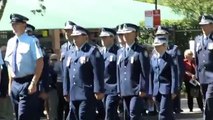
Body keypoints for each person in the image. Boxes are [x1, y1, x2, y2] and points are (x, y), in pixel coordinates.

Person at [4, 13, 44, 120]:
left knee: (24, 115)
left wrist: (34, 82)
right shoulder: (11, 42)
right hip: (15, 84)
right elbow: (9, 64)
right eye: (12, 24)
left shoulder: (31, 41)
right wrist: (10, 84)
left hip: (27, 82)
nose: (13, 26)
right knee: (17, 116)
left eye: (16, 24)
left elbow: (40, 62)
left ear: (24, 25)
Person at [64, 25, 105, 120]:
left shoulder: (91, 51)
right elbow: (66, 73)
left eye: (77, 36)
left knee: (84, 116)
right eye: (73, 36)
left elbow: (97, 72)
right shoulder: (70, 53)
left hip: (86, 93)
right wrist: (66, 91)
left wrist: (98, 90)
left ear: (85, 37)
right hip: (73, 93)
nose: (74, 39)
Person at [116, 23, 149, 120]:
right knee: (127, 115)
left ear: (135, 34)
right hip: (125, 89)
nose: (125, 36)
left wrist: (142, 88)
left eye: (128, 33)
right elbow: (118, 71)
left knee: (134, 113)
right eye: (123, 34)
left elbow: (144, 71)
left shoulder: (140, 51)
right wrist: (119, 88)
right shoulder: (120, 52)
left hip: (136, 89)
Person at [155, 26, 184, 113]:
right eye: (158, 35)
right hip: (159, 85)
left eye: (162, 34)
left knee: (168, 110)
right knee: (163, 110)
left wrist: (178, 85)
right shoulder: (155, 50)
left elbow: (179, 68)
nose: (160, 36)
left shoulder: (174, 49)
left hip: (170, 84)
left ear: (167, 35)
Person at [150, 36, 178, 120]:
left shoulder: (170, 58)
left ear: (164, 46)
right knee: (167, 113)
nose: (156, 47)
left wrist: (174, 90)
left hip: (166, 89)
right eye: (155, 45)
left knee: (163, 112)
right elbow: (151, 75)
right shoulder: (153, 58)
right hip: (156, 90)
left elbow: (174, 75)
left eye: (158, 45)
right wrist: (151, 91)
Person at [194, 14, 213, 120]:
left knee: (209, 100)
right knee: (206, 100)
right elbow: (196, 58)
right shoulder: (198, 39)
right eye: (201, 25)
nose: (203, 27)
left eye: (205, 25)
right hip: (202, 76)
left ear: (212, 25)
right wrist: (196, 74)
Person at [99, 28, 120, 120]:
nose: (103, 40)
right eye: (102, 38)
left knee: (109, 109)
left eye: (105, 37)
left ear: (112, 37)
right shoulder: (99, 52)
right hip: (102, 89)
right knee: (109, 112)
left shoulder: (118, 52)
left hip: (113, 87)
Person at [61, 21, 76, 120]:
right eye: (66, 31)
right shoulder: (63, 47)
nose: (67, 33)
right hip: (65, 82)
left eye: (69, 31)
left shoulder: (78, 47)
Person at [0, 46, 14, 120]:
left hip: (11, 86)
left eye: (5, 51)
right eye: (2, 51)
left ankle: (10, 116)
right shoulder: (1, 64)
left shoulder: (10, 62)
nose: (4, 53)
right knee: (3, 105)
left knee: (10, 104)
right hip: (2, 87)